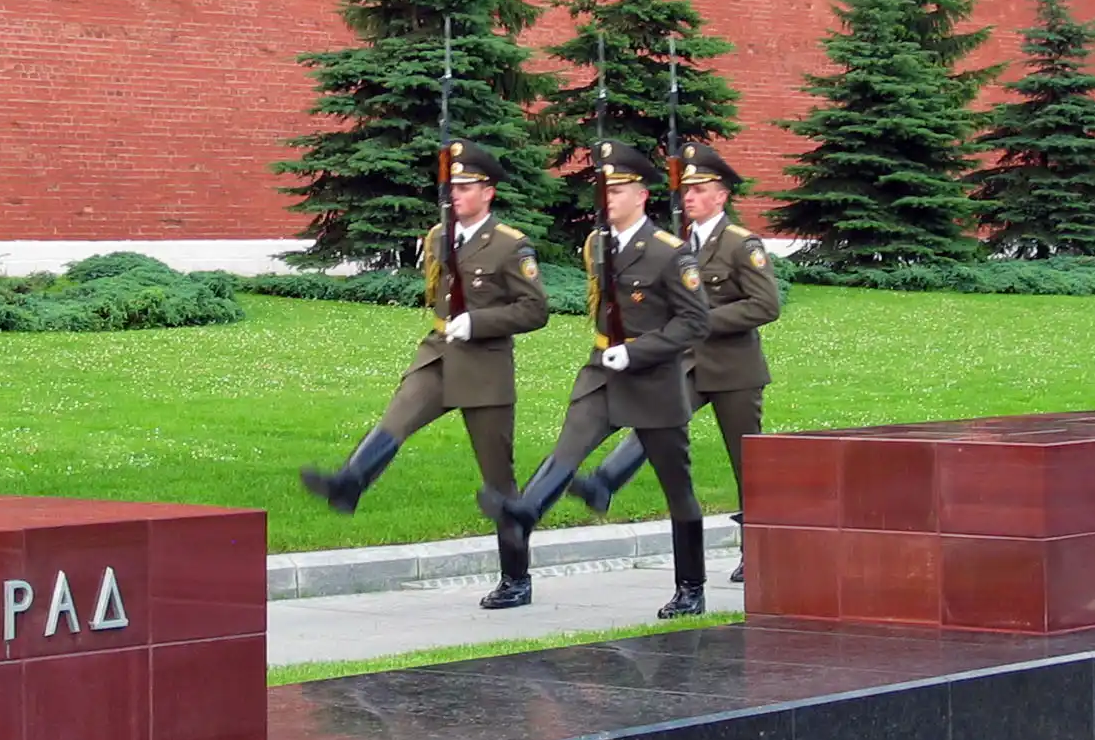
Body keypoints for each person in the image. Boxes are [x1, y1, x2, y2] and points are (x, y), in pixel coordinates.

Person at [300, 140, 549, 609]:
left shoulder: (510, 245)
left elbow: (535, 310)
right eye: (452, 186)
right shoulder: (439, 236)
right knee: (397, 417)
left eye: (466, 186)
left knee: (499, 481)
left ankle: (516, 578)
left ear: (488, 192)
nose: (456, 193)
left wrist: (479, 321)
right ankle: (351, 483)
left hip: (485, 367)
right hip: (439, 354)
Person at [476, 141, 712, 617]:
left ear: (641, 195)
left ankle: (691, 586)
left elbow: (694, 322)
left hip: (655, 380)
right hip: (602, 370)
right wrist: (613, 352)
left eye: (618, 190)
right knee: (569, 447)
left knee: (677, 487)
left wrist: (638, 351)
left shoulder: (670, 254)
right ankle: (527, 510)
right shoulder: (597, 244)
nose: (608, 198)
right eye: (603, 189)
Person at [568, 141, 780, 584]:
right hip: (686, 363)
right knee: (655, 422)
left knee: (748, 461)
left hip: (733, 369)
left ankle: (759, 550)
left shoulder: (741, 244)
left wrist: (700, 322)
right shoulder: (677, 245)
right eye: (687, 190)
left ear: (721, 196)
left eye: (700, 190)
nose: (690, 197)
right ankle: (605, 481)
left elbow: (765, 305)